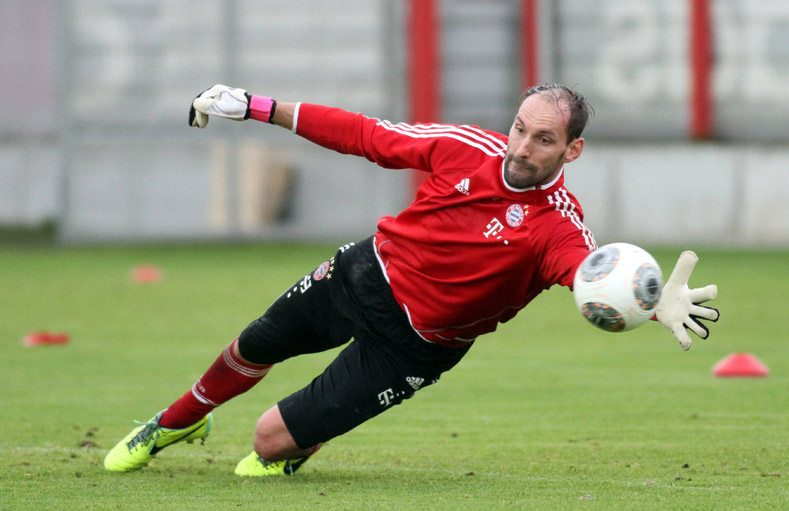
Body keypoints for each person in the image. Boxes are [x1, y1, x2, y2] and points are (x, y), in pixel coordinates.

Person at [104, 83, 719, 476]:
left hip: (417, 345)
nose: (523, 147)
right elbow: (363, 134)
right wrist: (258, 107)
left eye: (544, 139)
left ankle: (302, 440)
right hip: (365, 275)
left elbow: (590, 279)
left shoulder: (558, 227)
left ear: (572, 151)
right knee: (253, 345)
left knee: (266, 447)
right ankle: (177, 420)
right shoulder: (462, 147)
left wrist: (649, 301)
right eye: (520, 128)